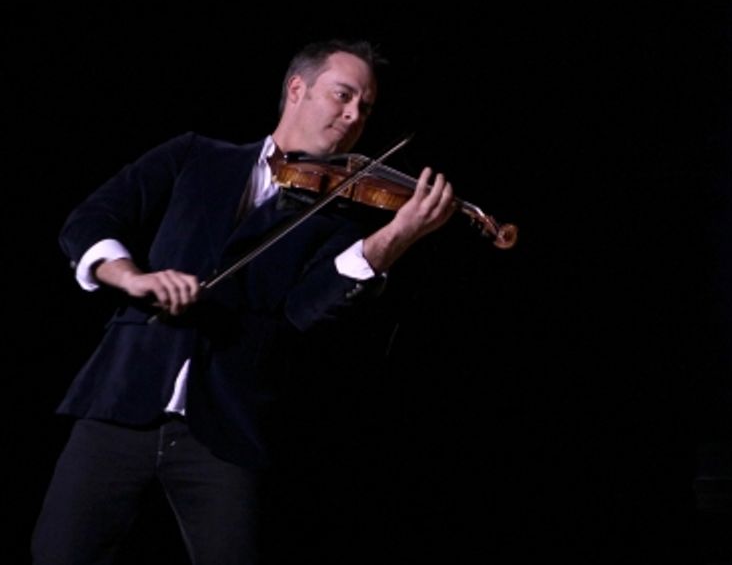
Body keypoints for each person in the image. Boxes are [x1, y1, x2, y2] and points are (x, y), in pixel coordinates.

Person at [31, 39, 458, 565]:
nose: (353, 115)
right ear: (297, 89)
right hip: (120, 401)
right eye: (343, 95)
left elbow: (302, 313)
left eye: (364, 108)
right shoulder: (195, 155)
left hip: (228, 427)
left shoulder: (340, 218)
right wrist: (131, 277)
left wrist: (391, 240)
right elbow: (90, 220)